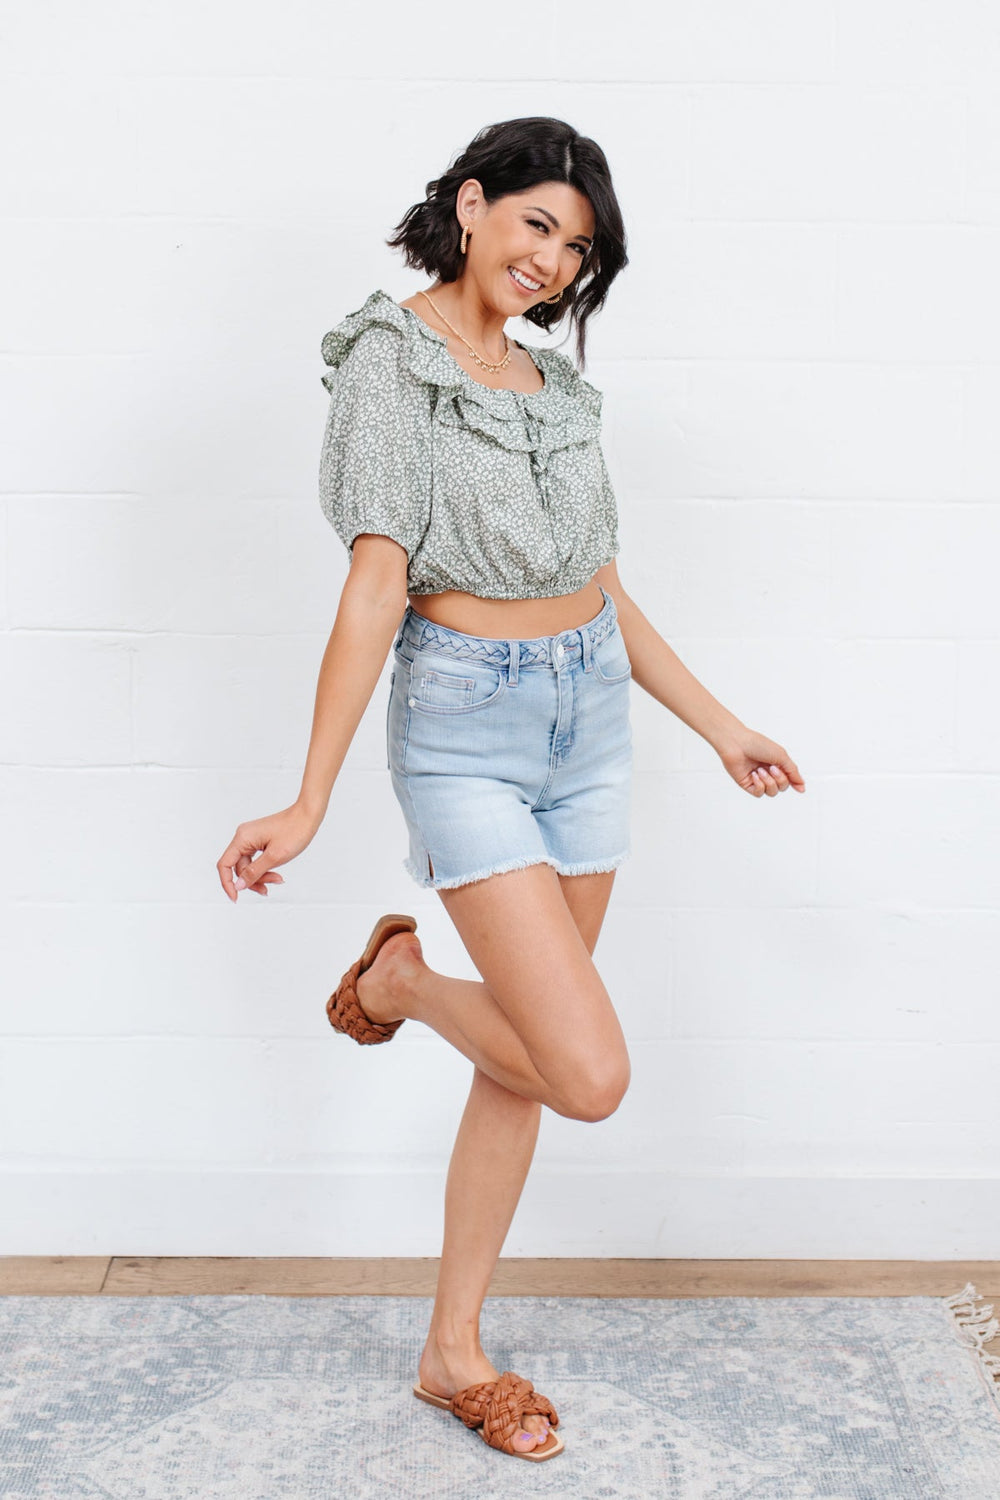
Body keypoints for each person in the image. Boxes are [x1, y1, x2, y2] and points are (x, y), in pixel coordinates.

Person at [216, 116, 805, 1464]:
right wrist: (308, 799)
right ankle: (403, 984)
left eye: (577, 247)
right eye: (538, 222)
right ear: (473, 205)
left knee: (528, 1066)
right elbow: (376, 586)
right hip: (465, 732)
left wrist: (721, 727)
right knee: (585, 1071)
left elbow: (599, 586)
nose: (552, 259)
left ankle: (453, 1351)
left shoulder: (551, 386)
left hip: (590, 725)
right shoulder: (391, 363)